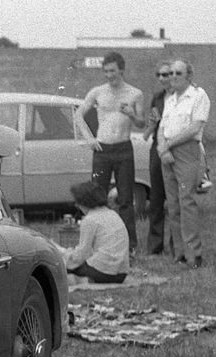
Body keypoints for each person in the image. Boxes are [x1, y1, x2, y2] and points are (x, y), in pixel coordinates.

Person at [79, 52, 146, 255]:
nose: (109, 75)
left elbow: (142, 123)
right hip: (103, 149)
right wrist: (89, 138)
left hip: (124, 148)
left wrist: (133, 115)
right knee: (97, 197)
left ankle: (129, 247)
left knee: (125, 199)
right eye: (106, 71)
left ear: (122, 71)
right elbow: (78, 115)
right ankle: (98, 244)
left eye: (113, 71)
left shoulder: (135, 93)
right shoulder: (97, 92)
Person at [157, 59, 210, 269]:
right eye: (170, 73)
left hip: (187, 151)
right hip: (167, 153)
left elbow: (195, 127)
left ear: (189, 75)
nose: (173, 77)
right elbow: (162, 126)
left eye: (178, 73)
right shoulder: (170, 99)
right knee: (172, 204)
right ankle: (178, 253)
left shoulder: (198, 96)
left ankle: (194, 254)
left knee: (186, 200)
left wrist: (168, 145)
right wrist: (162, 147)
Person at [59, 181, 129, 284]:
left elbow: (82, 254)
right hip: (121, 274)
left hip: (102, 272)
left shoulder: (90, 219)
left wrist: (65, 260)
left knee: (61, 268)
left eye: (77, 203)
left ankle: (84, 280)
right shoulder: (112, 214)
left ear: (83, 202)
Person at [142, 60, 172, 255]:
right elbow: (152, 123)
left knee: (175, 198)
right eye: (159, 75)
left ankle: (177, 245)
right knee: (156, 198)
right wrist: (148, 129)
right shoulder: (157, 98)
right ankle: (155, 246)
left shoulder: (183, 97)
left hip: (176, 147)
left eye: (166, 74)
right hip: (157, 148)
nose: (162, 78)